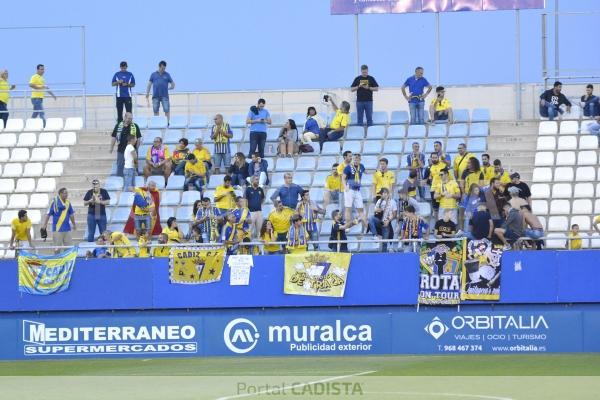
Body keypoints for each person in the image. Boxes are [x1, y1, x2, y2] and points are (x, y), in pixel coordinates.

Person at [41, 188, 76, 253]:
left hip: (67, 229)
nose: (66, 194)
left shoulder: (68, 203)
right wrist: (45, 224)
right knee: (57, 249)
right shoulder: (54, 203)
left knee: (68, 248)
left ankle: (67, 262)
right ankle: (57, 261)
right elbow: (48, 214)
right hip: (57, 229)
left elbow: (71, 214)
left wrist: (74, 224)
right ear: (60, 194)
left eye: (67, 193)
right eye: (65, 193)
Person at [110, 112, 142, 178]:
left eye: (131, 119)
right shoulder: (118, 125)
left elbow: (138, 138)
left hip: (132, 151)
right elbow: (114, 137)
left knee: (134, 165)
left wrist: (136, 149)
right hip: (121, 150)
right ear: (125, 117)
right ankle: (120, 180)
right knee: (120, 166)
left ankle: (134, 179)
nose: (130, 120)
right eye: (129, 118)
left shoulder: (135, 126)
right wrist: (111, 147)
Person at [342, 153, 367, 230]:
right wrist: (345, 187)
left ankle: (366, 226)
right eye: (355, 159)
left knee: (361, 209)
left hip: (357, 190)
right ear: (353, 159)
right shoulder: (348, 167)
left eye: (358, 159)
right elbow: (343, 178)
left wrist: (376, 171)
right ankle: (347, 226)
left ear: (360, 160)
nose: (356, 160)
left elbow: (366, 172)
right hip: (349, 189)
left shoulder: (361, 166)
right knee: (348, 208)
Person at [428, 152, 448, 220]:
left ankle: (444, 224)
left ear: (438, 158)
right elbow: (431, 177)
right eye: (432, 158)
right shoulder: (431, 167)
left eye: (435, 157)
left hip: (442, 189)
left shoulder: (443, 165)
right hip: (433, 189)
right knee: (435, 209)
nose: (434, 159)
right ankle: (437, 225)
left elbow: (448, 177)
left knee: (444, 208)